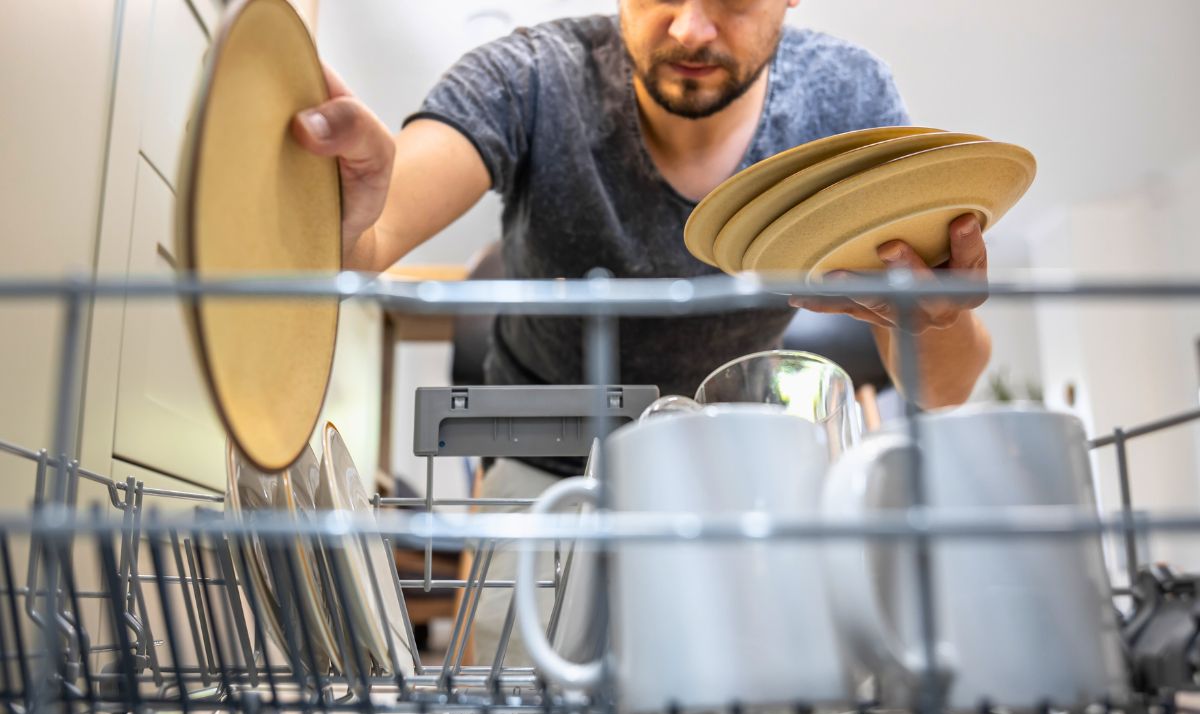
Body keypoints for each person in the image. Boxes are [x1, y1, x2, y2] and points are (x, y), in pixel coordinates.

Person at [291, 0, 992, 662]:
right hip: (544, 475)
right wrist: (347, 219)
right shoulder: (532, 76)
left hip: (728, 482)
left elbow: (946, 384)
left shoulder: (846, 100)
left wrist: (936, 314)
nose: (689, 28)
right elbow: (370, 236)